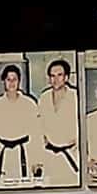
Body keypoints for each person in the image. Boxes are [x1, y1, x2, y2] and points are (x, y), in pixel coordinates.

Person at [0, 65, 40, 191]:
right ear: (4, 81)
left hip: (24, 154)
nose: (11, 83)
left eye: (14, 79)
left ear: (19, 81)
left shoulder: (29, 104)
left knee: (25, 190)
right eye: (8, 79)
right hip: (3, 154)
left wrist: (37, 160)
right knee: (3, 190)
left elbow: (36, 133)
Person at [36, 58, 82, 186]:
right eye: (52, 76)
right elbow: (39, 126)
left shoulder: (76, 97)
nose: (55, 79)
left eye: (59, 75)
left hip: (71, 155)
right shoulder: (44, 98)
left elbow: (83, 126)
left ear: (66, 77)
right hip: (49, 156)